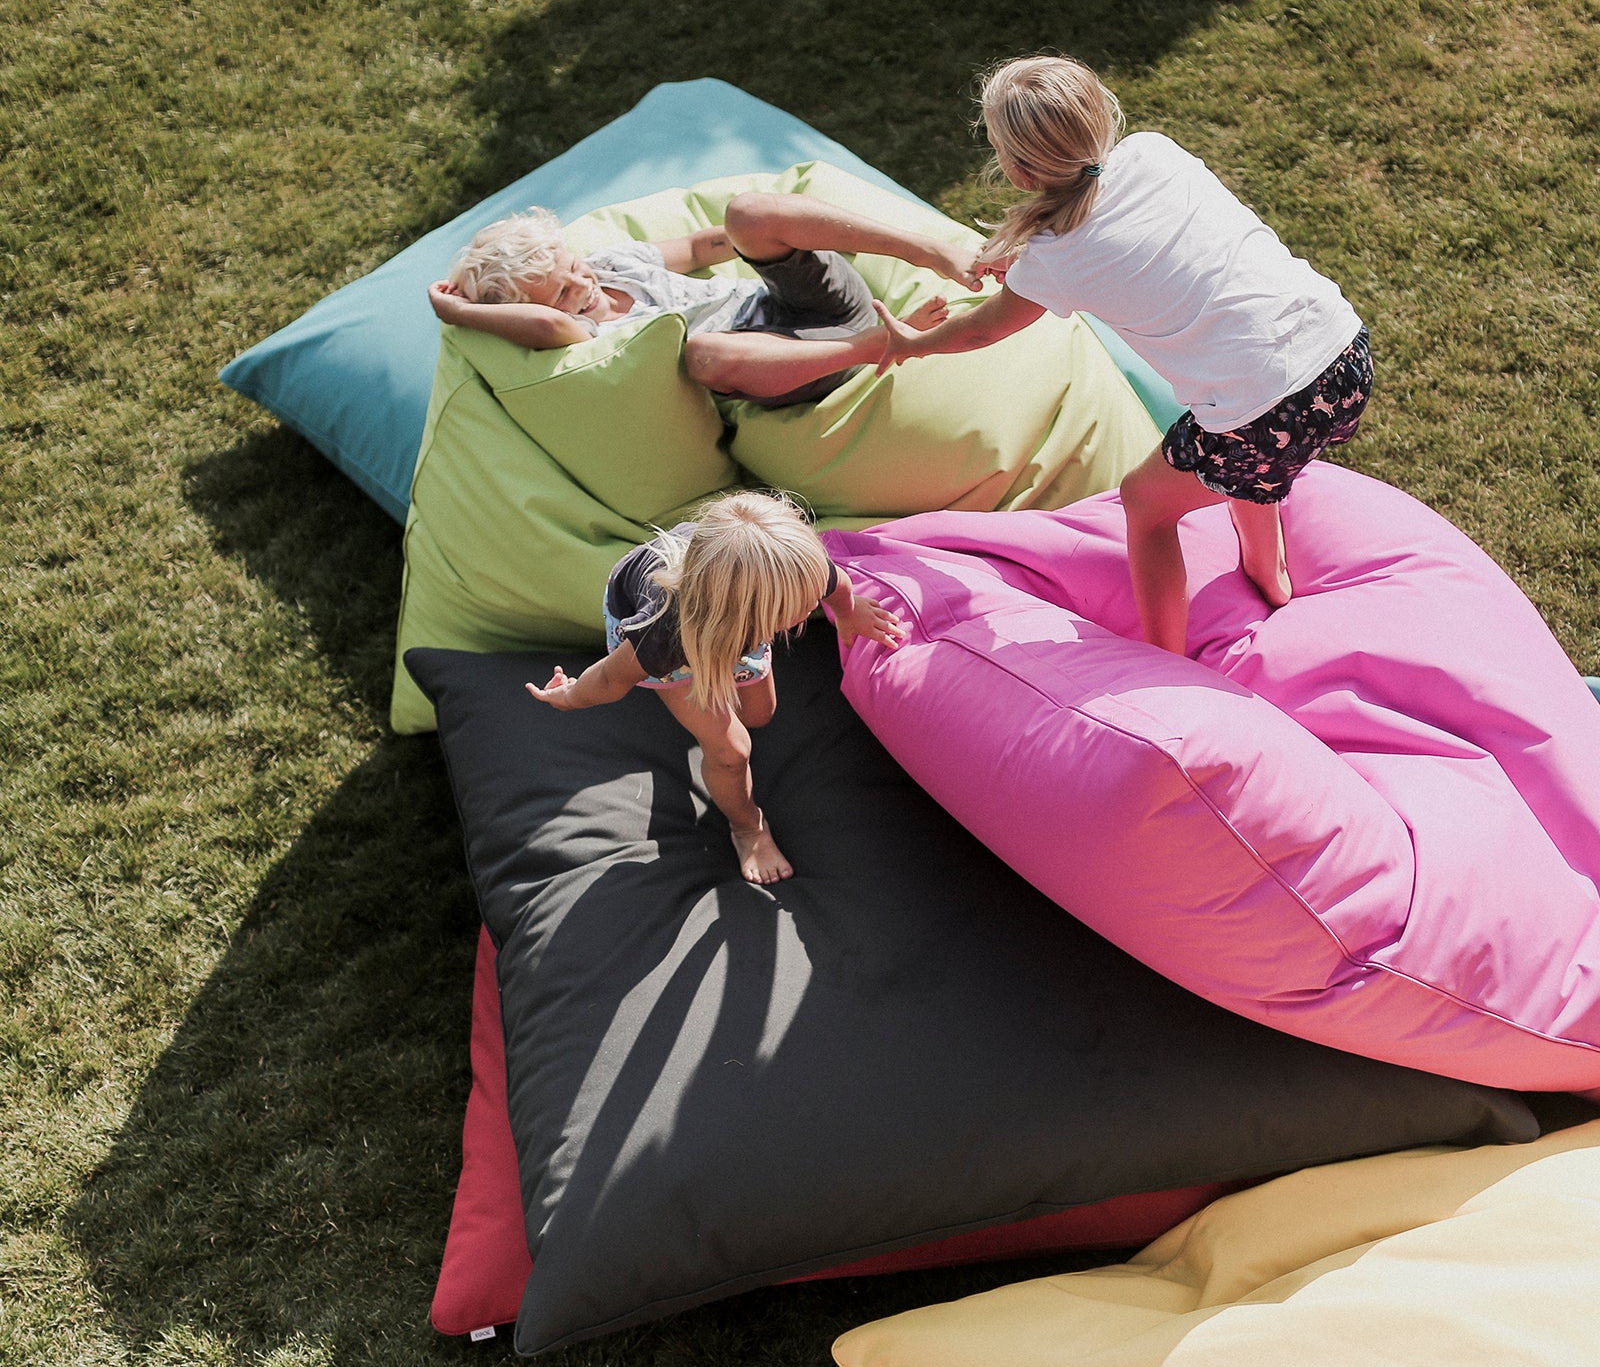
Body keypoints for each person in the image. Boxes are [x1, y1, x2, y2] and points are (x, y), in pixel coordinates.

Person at [867, 56, 1372, 655]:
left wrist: (910, 343)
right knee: (1229, 433)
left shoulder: (1054, 260)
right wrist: (1023, 262)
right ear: (1101, 113)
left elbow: (980, 331)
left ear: (1019, 171)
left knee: (1147, 502)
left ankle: (1168, 660)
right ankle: (1270, 570)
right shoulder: (1156, 153)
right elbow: (1137, 239)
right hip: (1342, 352)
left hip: (1268, 413)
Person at [525, 490, 905, 886]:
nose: (811, 609)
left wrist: (848, 612)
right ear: (747, 616)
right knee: (731, 750)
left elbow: (834, 583)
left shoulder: (791, 572)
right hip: (684, 641)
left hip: (729, 608)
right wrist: (568, 696)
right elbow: (609, 679)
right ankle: (747, 828)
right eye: (798, 606)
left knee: (760, 714)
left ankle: (728, 688)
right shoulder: (663, 636)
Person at [428, 186, 971, 407]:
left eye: (574, 268)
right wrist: (461, 311)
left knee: (747, 212)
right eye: (562, 295)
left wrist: (777, 238)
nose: (583, 286)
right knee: (701, 352)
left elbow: (699, 244)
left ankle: (925, 250)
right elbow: (545, 328)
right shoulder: (588, 334)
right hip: (791, 365)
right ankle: (882, 342)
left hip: (813, 307)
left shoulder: (613, 262)